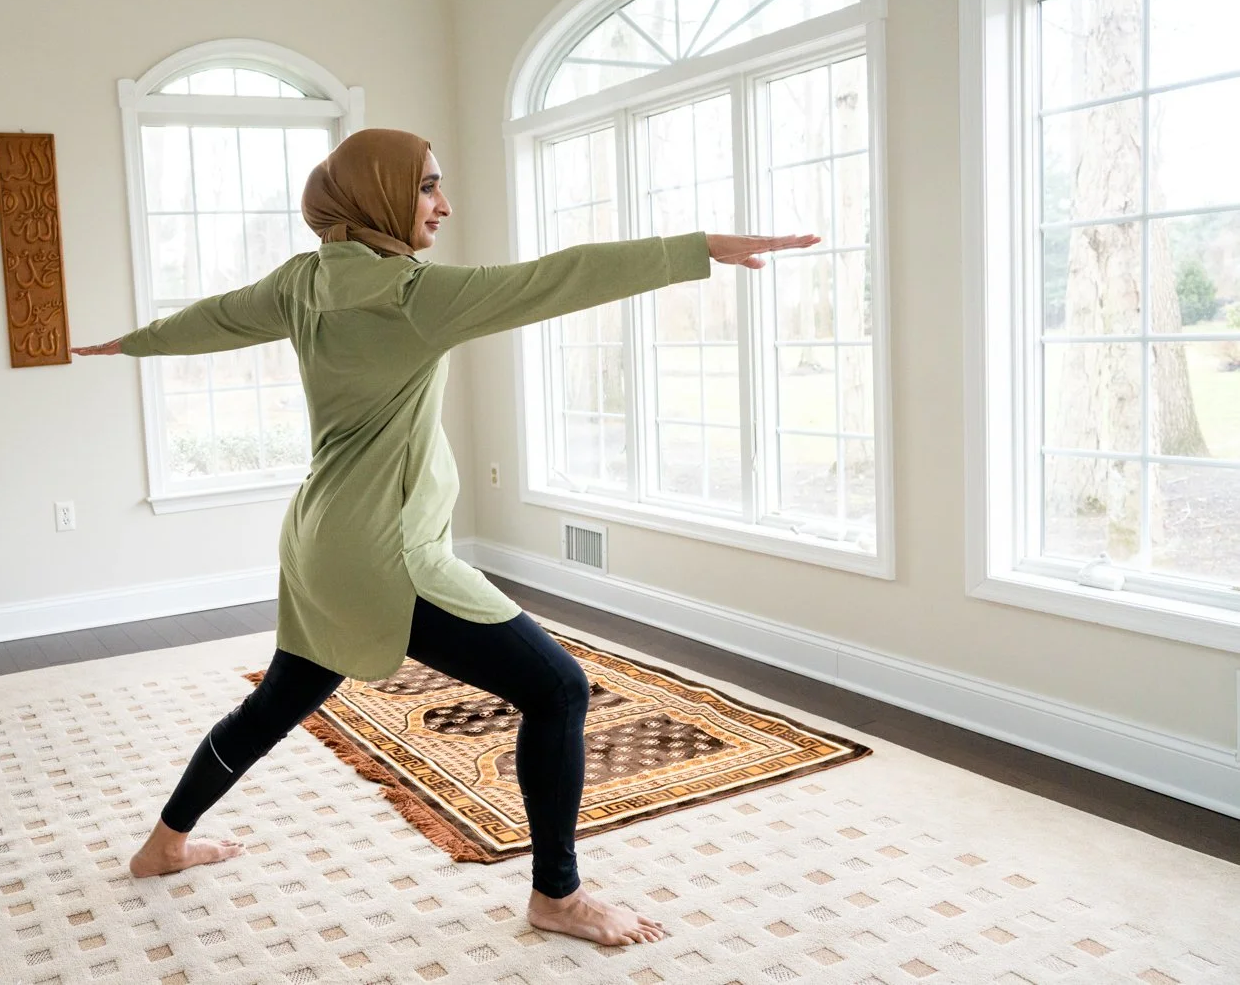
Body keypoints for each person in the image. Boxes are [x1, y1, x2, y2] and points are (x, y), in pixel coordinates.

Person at [74, 128, 817, 946]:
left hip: (319, 534)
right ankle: (558, 897)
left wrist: (133, 342)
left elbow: (218, 318)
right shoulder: (412, 293)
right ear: (381, 194)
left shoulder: (302, 280)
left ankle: (164, 846)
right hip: (387, 548)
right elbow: (553, 278)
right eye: (427, 186)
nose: (444, 204)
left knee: (282, 698)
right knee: (558, 689)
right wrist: (696, 247)